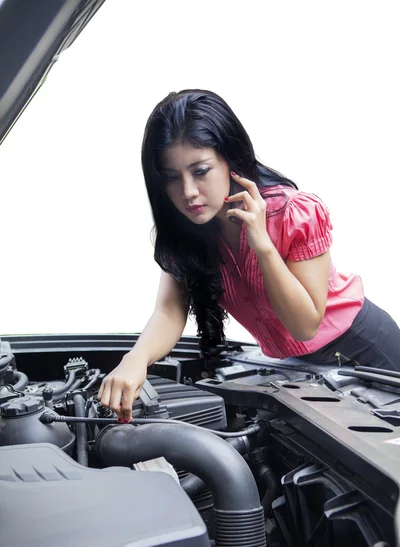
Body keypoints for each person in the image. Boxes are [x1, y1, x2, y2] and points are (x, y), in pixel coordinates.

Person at [98, 89, 400, 422]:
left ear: (231, 161)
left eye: (200, 171)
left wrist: (263, 245)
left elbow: (304, 327)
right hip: (298, 368)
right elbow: (169, 310)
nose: (187, 192)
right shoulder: (185, 231)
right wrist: (136, 359)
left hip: (363, 350)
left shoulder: (292, 211)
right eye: (172, 178)